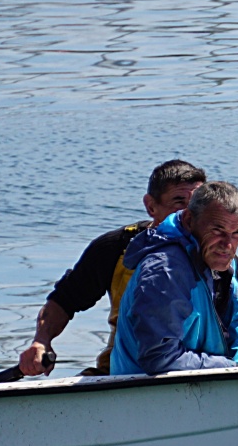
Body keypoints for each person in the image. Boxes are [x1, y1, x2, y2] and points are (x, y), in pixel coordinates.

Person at [16, 159, 205, 377]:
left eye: (197, 204)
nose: (190, 214)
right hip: (118, 373)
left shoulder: (218, 252)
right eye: (179, 202)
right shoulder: (115, 247)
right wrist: (41, 341)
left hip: (197, 369)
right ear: (151, 206)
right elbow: (64, 301)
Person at [110, 180, 238, 375]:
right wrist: (231, 368)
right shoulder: (165, 271)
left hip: (205, 387)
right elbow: (160, 358)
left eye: (236, 233)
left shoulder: (227, 263)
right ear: (189, 220)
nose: (227, 245)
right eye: (217, 230)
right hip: (145, 392)